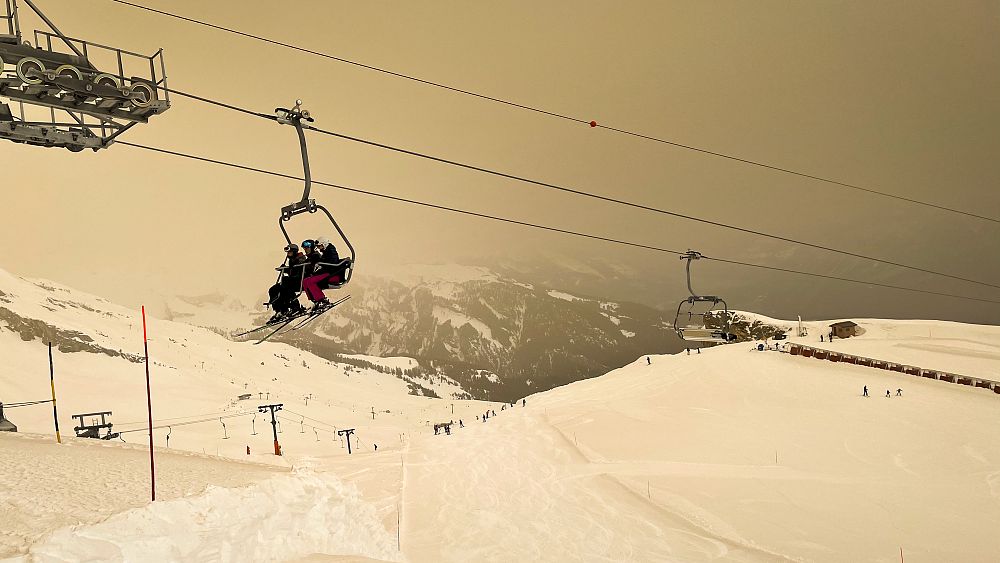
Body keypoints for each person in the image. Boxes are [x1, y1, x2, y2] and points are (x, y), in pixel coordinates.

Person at [266, 244, 308, 322]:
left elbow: (300, 271)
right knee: (273, 289)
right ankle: (280, 310)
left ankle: (295, 307)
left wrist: (289, 271)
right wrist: (286, 269)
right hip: (293, 281)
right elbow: (292, 271)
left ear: (294, 252)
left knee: (285, 285)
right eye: (287, 252)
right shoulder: (292, 260)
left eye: (289, 252)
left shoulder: (300, 259)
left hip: (300, 281)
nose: (288, 254)